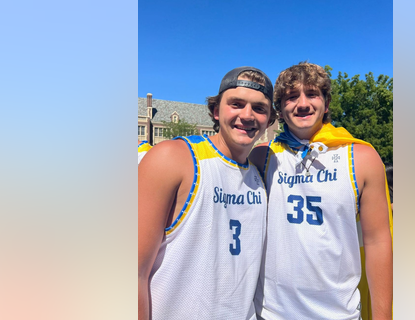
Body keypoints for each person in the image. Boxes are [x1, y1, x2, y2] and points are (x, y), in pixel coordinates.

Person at [250, 62, 393, 320]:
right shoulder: (261, 157)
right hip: (270, 314)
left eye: (312, 94)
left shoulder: (361, 157)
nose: (302, 104)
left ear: (326, 104)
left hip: (339, 313)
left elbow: (378, 242)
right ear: (280, 109)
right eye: (292, 97)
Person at [138, 66, 276, 320]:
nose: (247, 115)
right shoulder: (174, 158)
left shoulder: (261, 177)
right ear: (215, 110)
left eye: (259, 108)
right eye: (236, 104)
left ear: (269, 120)